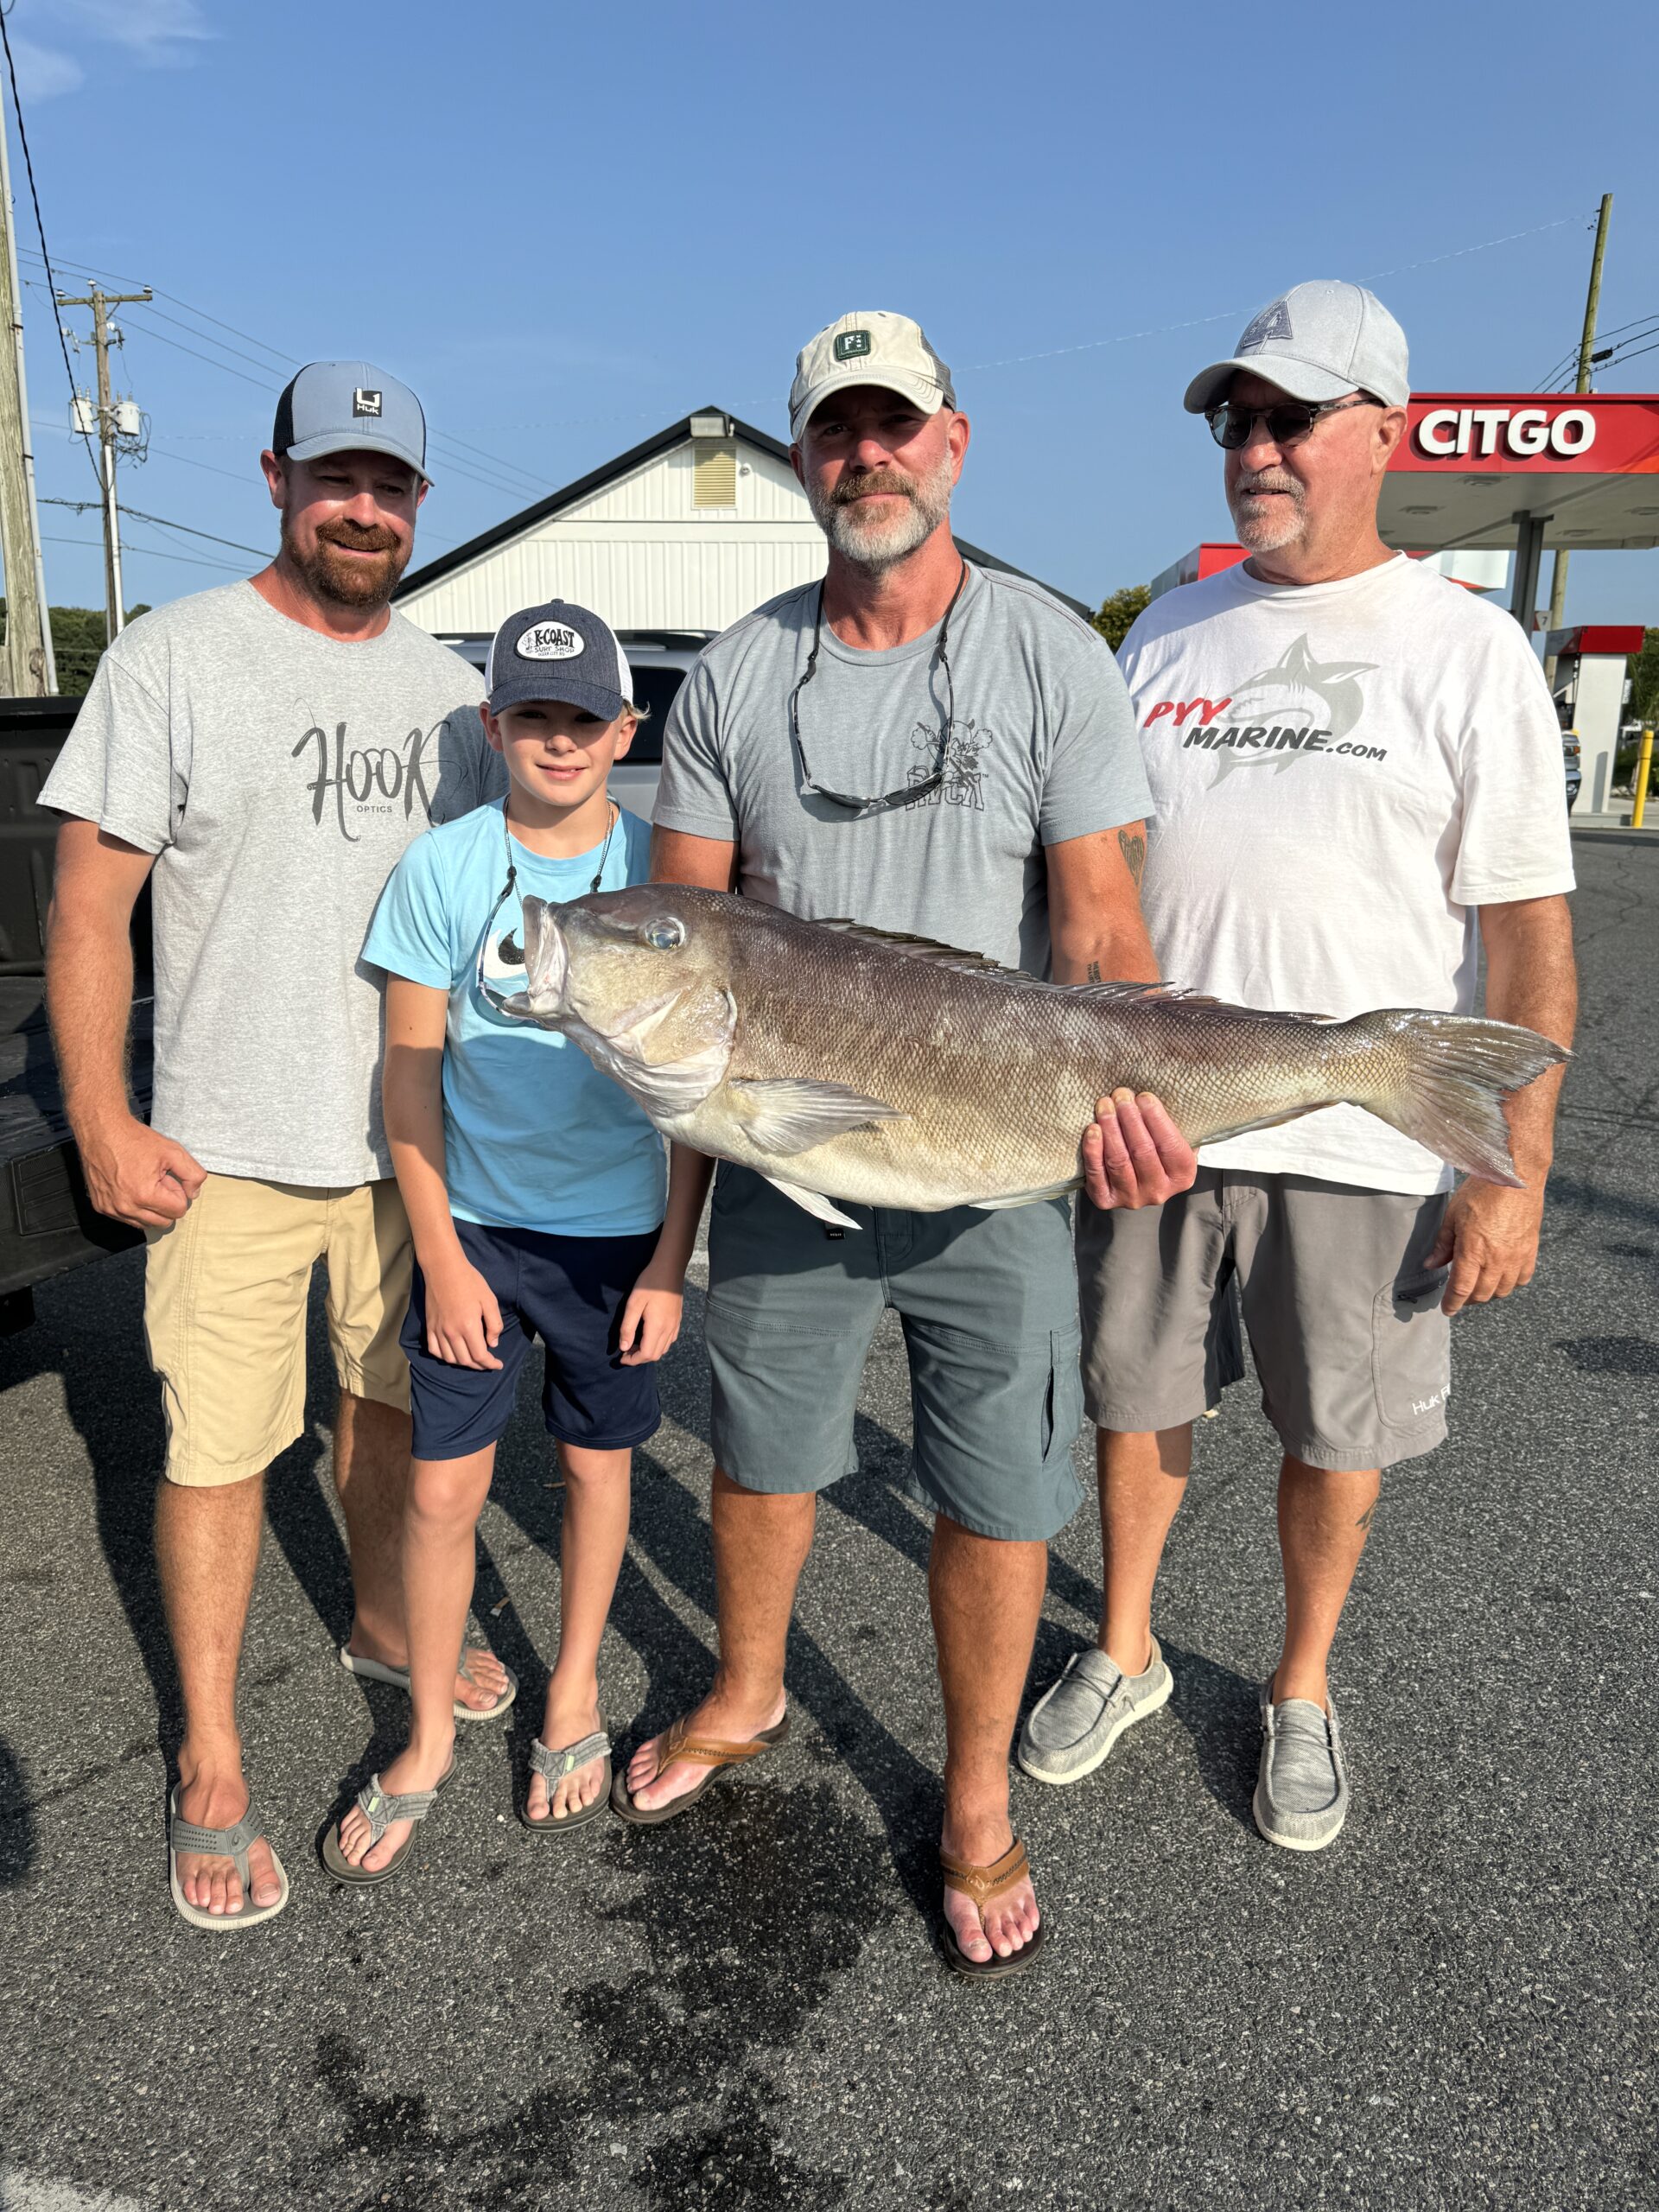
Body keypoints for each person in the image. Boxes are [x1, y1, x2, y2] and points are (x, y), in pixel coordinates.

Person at [619, 309, 1197, 1977]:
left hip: (993, 1157)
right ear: (804, 461)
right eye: (833, 434)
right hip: (789, 1152)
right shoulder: (738, 674)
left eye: (894, 428)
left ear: (953, 443)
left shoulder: (1045, 655)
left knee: (998, 1491)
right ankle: (746, 1684)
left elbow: (1098, 927)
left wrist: (1141, 1103)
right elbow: (684, 949)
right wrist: (679, 1231)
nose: (865, 457)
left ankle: (971, 1794)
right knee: (759, 1455)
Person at [1019, 282, 1578, 1851]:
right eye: (1233, 421)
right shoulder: (1171, 629)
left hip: (1367, 1130)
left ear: (1381, 432)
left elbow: (1530, 944)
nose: (1252, 448)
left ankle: (1303, 1685)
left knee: (1340, 1435)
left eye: (1289, 418)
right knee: (1135, 1400)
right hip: (1148, 1109)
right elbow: (1102, 868)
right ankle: (1125, 1647)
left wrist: (1509, 1168)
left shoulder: (1468, 650)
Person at [41, 361, 512, 1929]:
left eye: (390, 486)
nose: (362, 509)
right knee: (221, 1452)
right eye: (335, 478)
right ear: (276, 479)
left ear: (419, 508)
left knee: (394, 1417)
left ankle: (390, 1621)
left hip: (408, 1155)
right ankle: (214, 1760)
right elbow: (91, 902)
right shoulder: (177, 660)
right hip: (229, 1147)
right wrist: (105, 1114)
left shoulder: (453, 698)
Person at [325, 601, 703, 1881]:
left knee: (600, 1474)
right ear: (495, 727)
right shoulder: (443, 866)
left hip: (616, 1237)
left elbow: (706, 1093)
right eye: (532, 716)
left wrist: (668, 1262)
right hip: (475, 1230)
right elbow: (411, 1078)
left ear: (623, 730)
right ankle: (427, 1733)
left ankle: (573, 1694)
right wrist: (437, 1258)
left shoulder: (669, 875)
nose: (558, 739)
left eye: (582, 718)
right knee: (442, 1492)